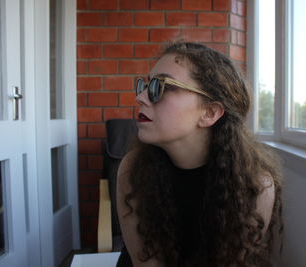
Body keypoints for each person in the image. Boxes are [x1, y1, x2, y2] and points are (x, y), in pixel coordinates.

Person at [116, 41, 283, 267]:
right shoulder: (133, 168)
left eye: (160, 86)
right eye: (145, 85)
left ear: (210, 112)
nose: (141, 97)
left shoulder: (256, 185)